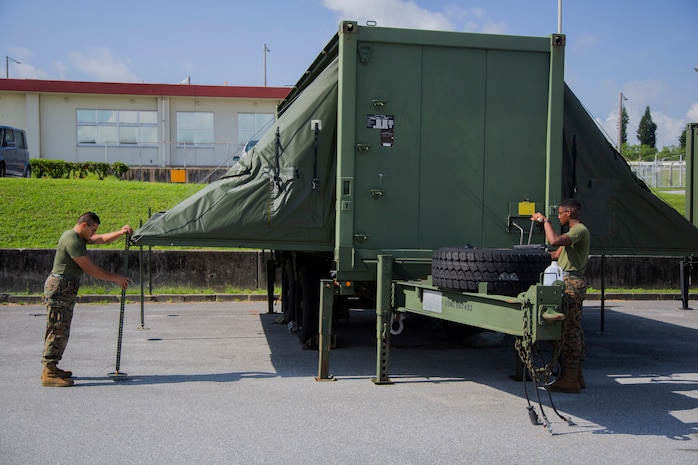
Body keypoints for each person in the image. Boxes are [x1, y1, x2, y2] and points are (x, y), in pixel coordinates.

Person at [41, 212, 132, 387]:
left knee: (61, 329)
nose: (93, 234)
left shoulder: (78, 237)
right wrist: (116, 278)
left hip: (65, 288)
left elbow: (102, 239)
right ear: (84, 225)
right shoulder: (72, 240)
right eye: (92, 230)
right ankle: (49, 372)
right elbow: (91, 269)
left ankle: (52, 366)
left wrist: (121, 233)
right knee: (57, 329)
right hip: (60, 288)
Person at [531, 198, 590, 393]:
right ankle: (575, 375)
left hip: (572, 282)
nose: (558, 216)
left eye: (560, 213)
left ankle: (571, 378)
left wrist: (545, 221)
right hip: (568, 280)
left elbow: (554, 241)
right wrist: (527, 255)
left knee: (570, 330)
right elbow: (556, 254)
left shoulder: (579, 230)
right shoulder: (572, 234)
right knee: (573, 328)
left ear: (570, 213)